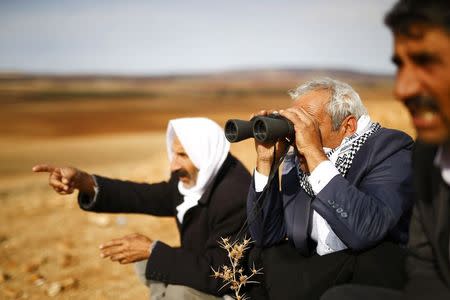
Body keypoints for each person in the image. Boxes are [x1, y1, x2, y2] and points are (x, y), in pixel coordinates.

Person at [33, 117, 251, 300]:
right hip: (203, 265)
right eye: (174, 154)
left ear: (204, 152)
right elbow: (146, 196)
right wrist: (85, 181)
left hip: (234, 289)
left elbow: (224, 274)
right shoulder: (199, 175)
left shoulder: (234, 195)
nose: (173, 165)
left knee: (179, 291)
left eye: (183, 155)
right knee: (147, 262)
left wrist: (152, 251)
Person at [321, 1, 450, 299]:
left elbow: (367, 228)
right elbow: (425, 268)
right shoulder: (428, 155)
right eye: (400, 65)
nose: (401, 89)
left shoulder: (395, 149)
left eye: (425, 62)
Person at [246, 78, 414, 300]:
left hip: (369, 268)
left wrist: (315, 155)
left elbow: (366, 230)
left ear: (348, 126)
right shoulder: (297, 159)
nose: (298, 132)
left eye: (309, 124)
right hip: (322, 264)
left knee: (374, 258)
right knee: (259, 256)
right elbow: (267, 235)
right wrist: (266, 161)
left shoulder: (390, 148)